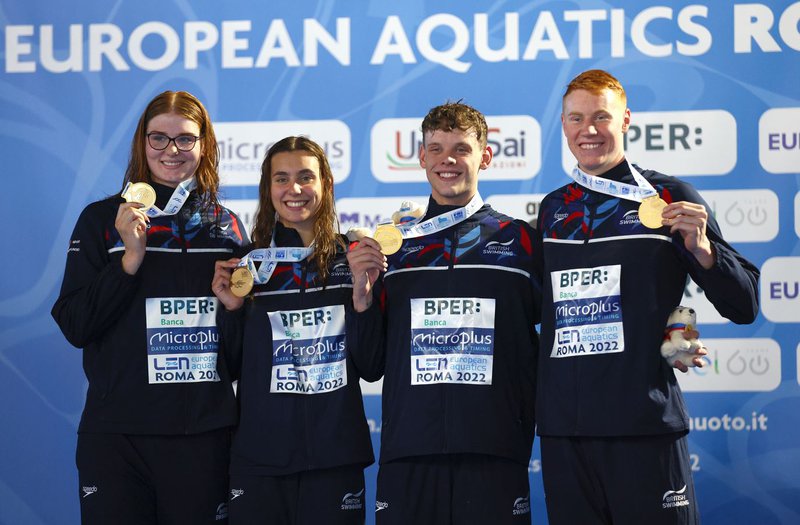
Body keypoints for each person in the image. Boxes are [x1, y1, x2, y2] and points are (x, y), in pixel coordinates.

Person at [535, 69, 759, 525]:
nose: (589, 130)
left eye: (601, 117)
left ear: (626, 120)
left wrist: (703, 250)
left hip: (643, 424)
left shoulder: (670, 197)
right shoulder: (553, 208)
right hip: (566, 433)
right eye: (576, 118)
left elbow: (746, 303)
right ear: (563, 125)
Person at [51, 91, 248, 524]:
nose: (171, 151)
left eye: (185, 140)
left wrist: (234, 311)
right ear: (142, 143)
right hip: (118, 437)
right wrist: (128, 262)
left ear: (205, 146)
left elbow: (239, 358)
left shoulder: (227, 228)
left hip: (203, 435)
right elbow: (75, 325)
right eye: (158, 138)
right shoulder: (103, 221)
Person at [347, 102, 541, 524]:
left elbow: (565, 326)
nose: (447, 160)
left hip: (495, 451)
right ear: (421, 158)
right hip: (409, 453)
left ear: (485, 156)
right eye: (435, 149)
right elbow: (369, 364)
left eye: (461, 149)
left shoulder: (522, 243)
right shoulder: (393, 251)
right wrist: (361, 303)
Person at [212, 136, 375, 525]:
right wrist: (232, 310)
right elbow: (228, 369)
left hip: (335, 457)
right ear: (268, 191)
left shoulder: (351, 260)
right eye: (281, 179)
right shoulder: (249, 268)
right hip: (259, 458)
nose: (295, 189)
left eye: (306, 177)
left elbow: (371, 365)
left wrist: (363, 303)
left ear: (326, 185)